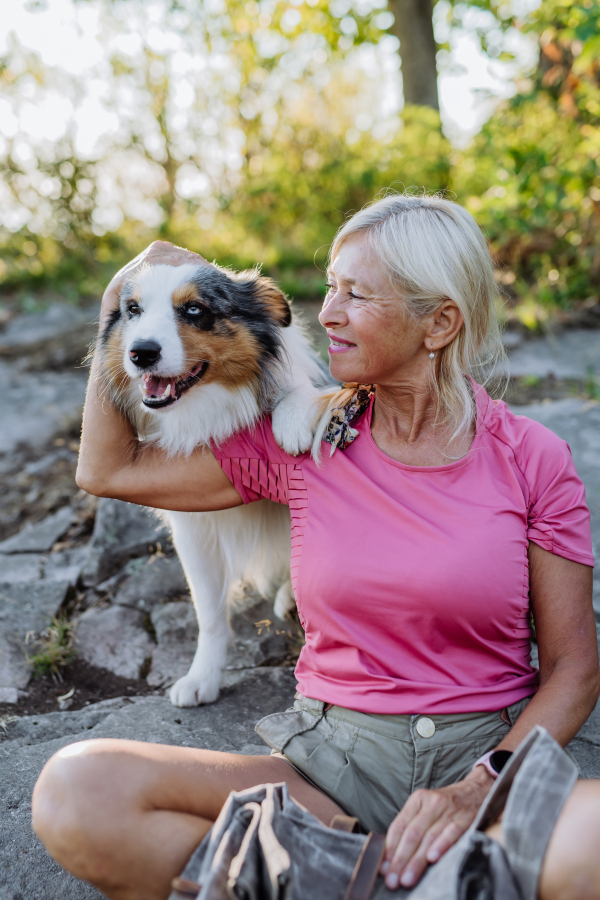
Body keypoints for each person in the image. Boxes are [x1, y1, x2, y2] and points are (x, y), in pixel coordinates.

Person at [32, 194, 600, 900]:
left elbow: (575, 667)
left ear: (440, 321)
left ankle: (340, 880)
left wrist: (480, 785)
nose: (325, 312)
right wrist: (121, 296)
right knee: (76, 790)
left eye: (355, 294)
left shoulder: (533, 458)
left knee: (594, 845)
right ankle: (389, 877)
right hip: (330, 772)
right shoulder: (297, 440)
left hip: (486, 763)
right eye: (330, 287)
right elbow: (105, 471)